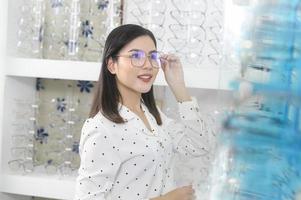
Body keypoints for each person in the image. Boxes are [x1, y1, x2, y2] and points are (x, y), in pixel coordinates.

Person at [74, 24, 210, 200]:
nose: (148, 65)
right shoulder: (101, 129)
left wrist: (178, 86)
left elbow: (198, 146)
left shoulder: (153, 115)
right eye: (136, 56)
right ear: (112, 65)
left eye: (152, 56)